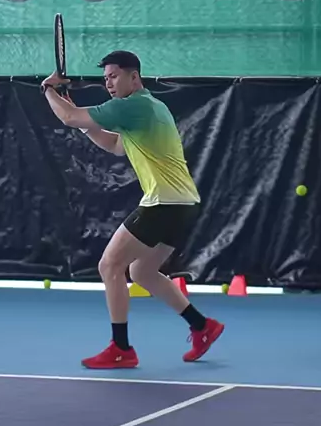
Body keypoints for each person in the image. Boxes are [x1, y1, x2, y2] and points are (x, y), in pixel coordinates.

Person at [41, 50, 224, 369]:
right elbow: (115, 145)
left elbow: (68, 117)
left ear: (134, 76)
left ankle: (121, 349)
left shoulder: (134, 105)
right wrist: (84, 122)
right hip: (184, 205)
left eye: (114, 76)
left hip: (164, 203)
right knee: (141, 272)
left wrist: (47, 89)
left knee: (109, 265)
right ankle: (201, 326)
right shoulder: (152, 107)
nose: (108, 83)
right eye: (105, 78)